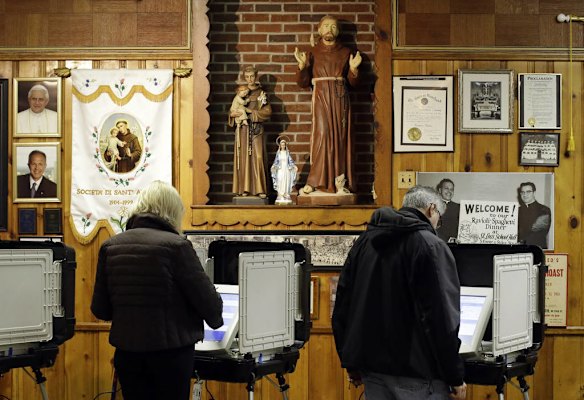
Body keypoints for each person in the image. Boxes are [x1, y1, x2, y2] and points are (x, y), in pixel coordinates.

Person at [91, 180, 223, 400]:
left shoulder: (111, 246)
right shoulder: (177, 246)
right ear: (172, 211)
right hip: (170, 357)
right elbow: (209, 305)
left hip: (127, 355)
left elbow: (101, 310)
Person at [332, 186, 467, 400]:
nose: (437, 225)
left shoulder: (364, 242)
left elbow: (342, 305)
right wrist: (454, 375)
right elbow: (441, 318)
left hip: (372, 372)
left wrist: (350, 362)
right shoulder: (430, 245)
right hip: (418, 374)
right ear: (432, 209)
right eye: (439, 219)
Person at [294, 15, 362, 195]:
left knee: (340, 139)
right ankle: (316, 182)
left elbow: (354, 84)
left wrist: (354, 70)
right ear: (319, 30)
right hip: (321, 95)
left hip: (340, 97)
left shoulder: (346, 52)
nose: (329, 30)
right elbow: (303, 83)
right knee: (321, 135)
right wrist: (302, 67)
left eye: (333, 26)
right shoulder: (312, 53)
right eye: (325, 26)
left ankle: (340, 181)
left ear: (338, 31)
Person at [228, 66, 272, 198]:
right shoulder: (241, 92)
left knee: (258, 157)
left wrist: (252, 113)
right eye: (247, 77)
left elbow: (267, 112)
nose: (250, 79)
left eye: (252, 76)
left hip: (256, 129)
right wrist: (232, 114)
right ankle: (244, 189)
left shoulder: (261, 93)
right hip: (242, 130)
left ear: (256, 76)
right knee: (243, 158)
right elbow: (233, 109)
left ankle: (260, 189)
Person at [517, 182, 551, 249]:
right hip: (520, 250)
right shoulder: (517, 210)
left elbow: (537, 231)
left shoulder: (544, 210)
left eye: (528, 192)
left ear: (534, 193)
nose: (525, 194)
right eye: (522, 192)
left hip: (537, 249)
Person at [270, 137, 298, 205]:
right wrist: (274, 166)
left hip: (286, 169)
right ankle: (280, 194)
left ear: (285, 145)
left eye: (284, 145)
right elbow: (276, 161)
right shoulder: (278, 153)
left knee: (286, 181)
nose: (283, 146)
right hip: (280, 169)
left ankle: (286, 194)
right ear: (280, 145)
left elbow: (290, 161)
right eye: (281, 145)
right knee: (280, 180)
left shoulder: (287, 153)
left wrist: (294, 166)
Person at [436, 178, 460, 243]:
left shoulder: (459, 207)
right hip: (439, 244)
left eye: (451, 189)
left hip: (457, 245)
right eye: (446, 188)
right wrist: (447, 239)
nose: (449, 191)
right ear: (440, 190)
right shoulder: (433, 206)